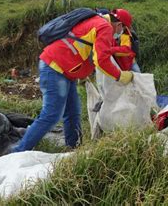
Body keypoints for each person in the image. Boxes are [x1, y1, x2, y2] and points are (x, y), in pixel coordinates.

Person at [12, 9, 135, 152]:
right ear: (119, 24)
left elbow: (93, 50)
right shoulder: (105, 27)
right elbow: (101, 59)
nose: (121, 34)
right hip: (55, 69)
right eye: (123, 30)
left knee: (72, 112)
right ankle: (18, 151)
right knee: (51, 115)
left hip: (64, 72)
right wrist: (119, 76)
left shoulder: (97, 21)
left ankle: (73, 149)